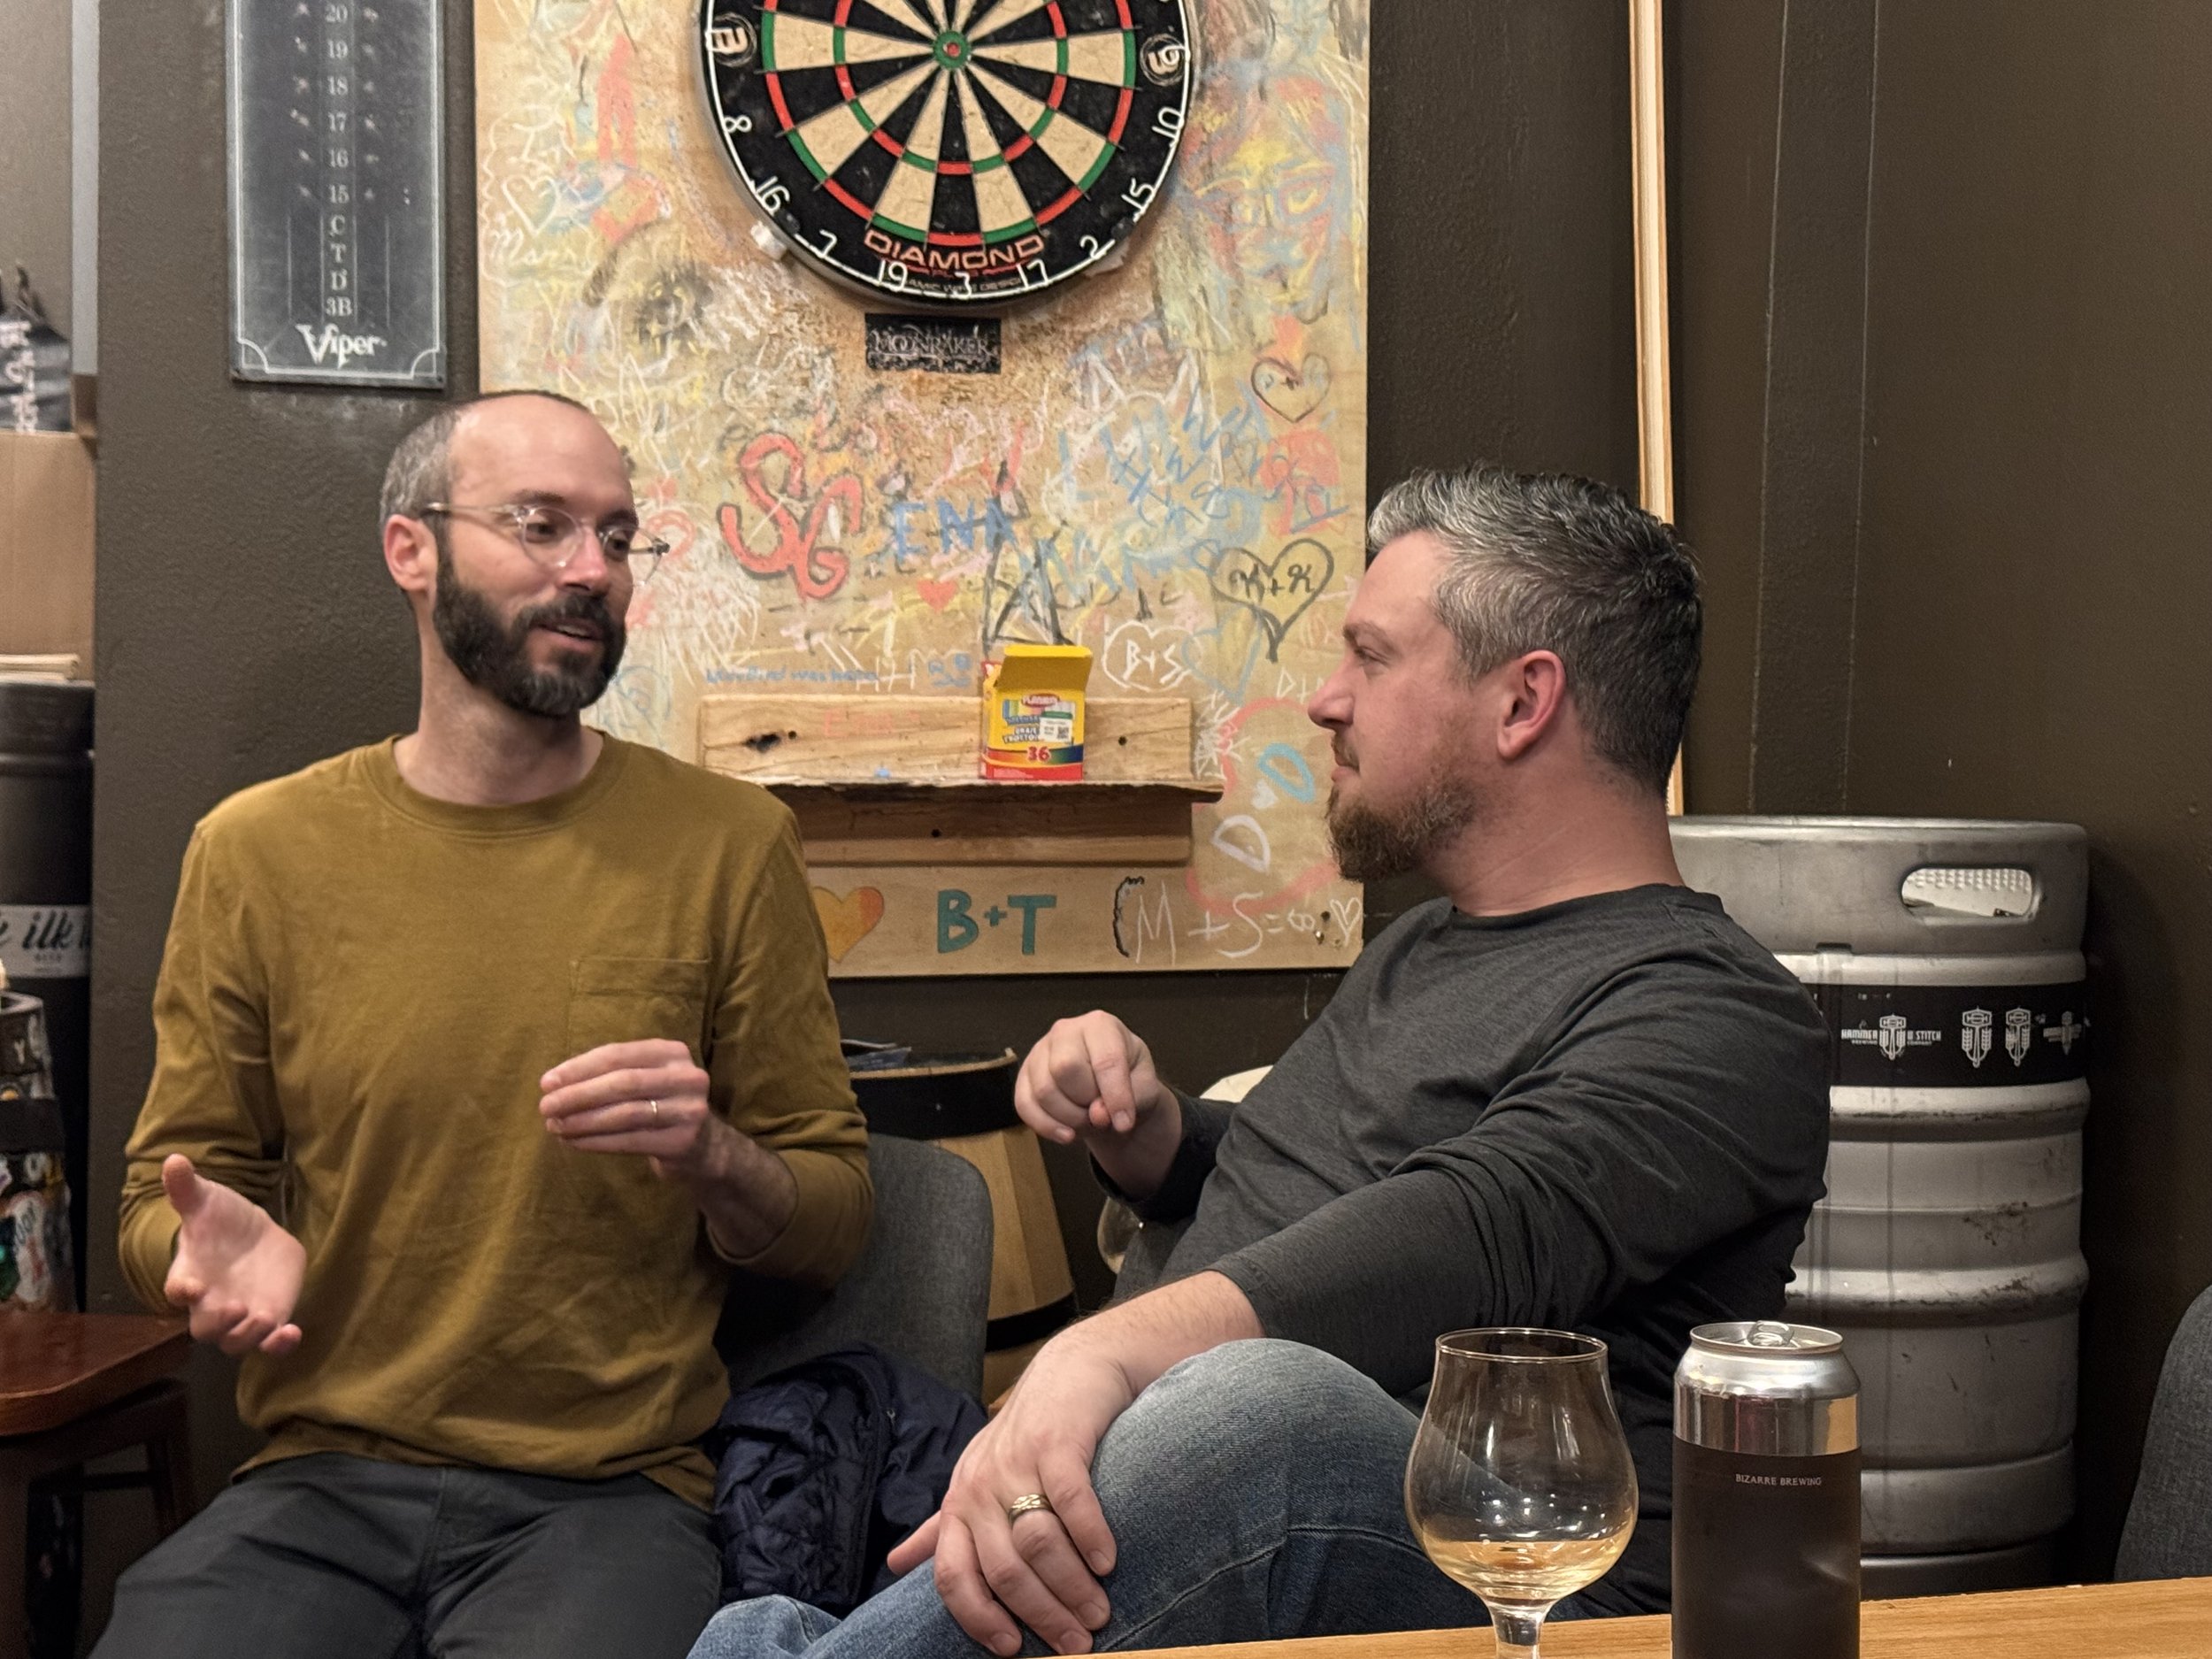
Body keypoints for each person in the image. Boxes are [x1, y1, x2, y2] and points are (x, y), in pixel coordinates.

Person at [690, 465, 1830, 1659]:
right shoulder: (1432, 942)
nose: (1327, 700)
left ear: (1521, 703)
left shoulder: (1719, 1022)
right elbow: (1359, 1181)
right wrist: (1166, 1146)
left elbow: (1476, 1231)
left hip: (1513, 1584)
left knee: (1259, 1416)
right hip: (1198, 1515)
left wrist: (1104, 1352)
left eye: (1372, 657)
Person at [98, 392, 872, 1659]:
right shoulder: (256, 854)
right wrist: (190, 1263)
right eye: (541, 526)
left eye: (618, 538)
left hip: (608, 1497)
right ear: (414, 550)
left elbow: (836, 1214)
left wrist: (715, 1159)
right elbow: (164, 1198)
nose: (591, 573)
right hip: (317, 1481)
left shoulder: (729, 848)